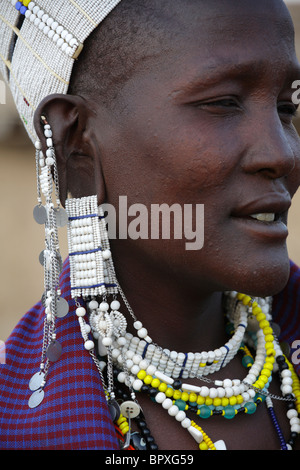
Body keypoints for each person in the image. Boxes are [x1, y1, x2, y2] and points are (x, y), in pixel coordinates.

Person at [0, 0, 300, 451]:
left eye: (286, 107)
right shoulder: (20, 426)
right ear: (75, 143)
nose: (282, 155)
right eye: (223, 103)